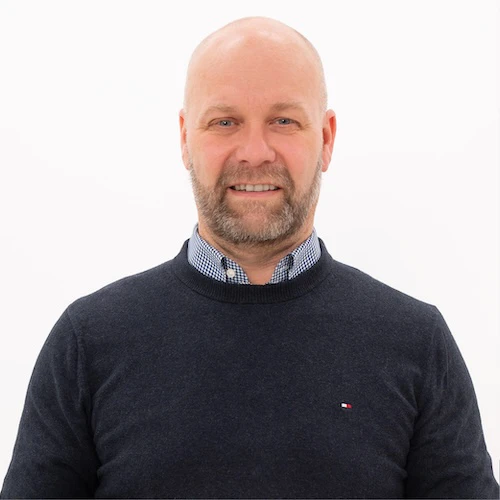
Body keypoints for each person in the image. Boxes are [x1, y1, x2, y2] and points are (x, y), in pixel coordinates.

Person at [1, 16, 498, 499]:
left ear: (326, 139)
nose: (255, 151)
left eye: (284, 121)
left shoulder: (417, 343)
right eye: (225, 122)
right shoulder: (88, 343)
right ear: (184, 138)